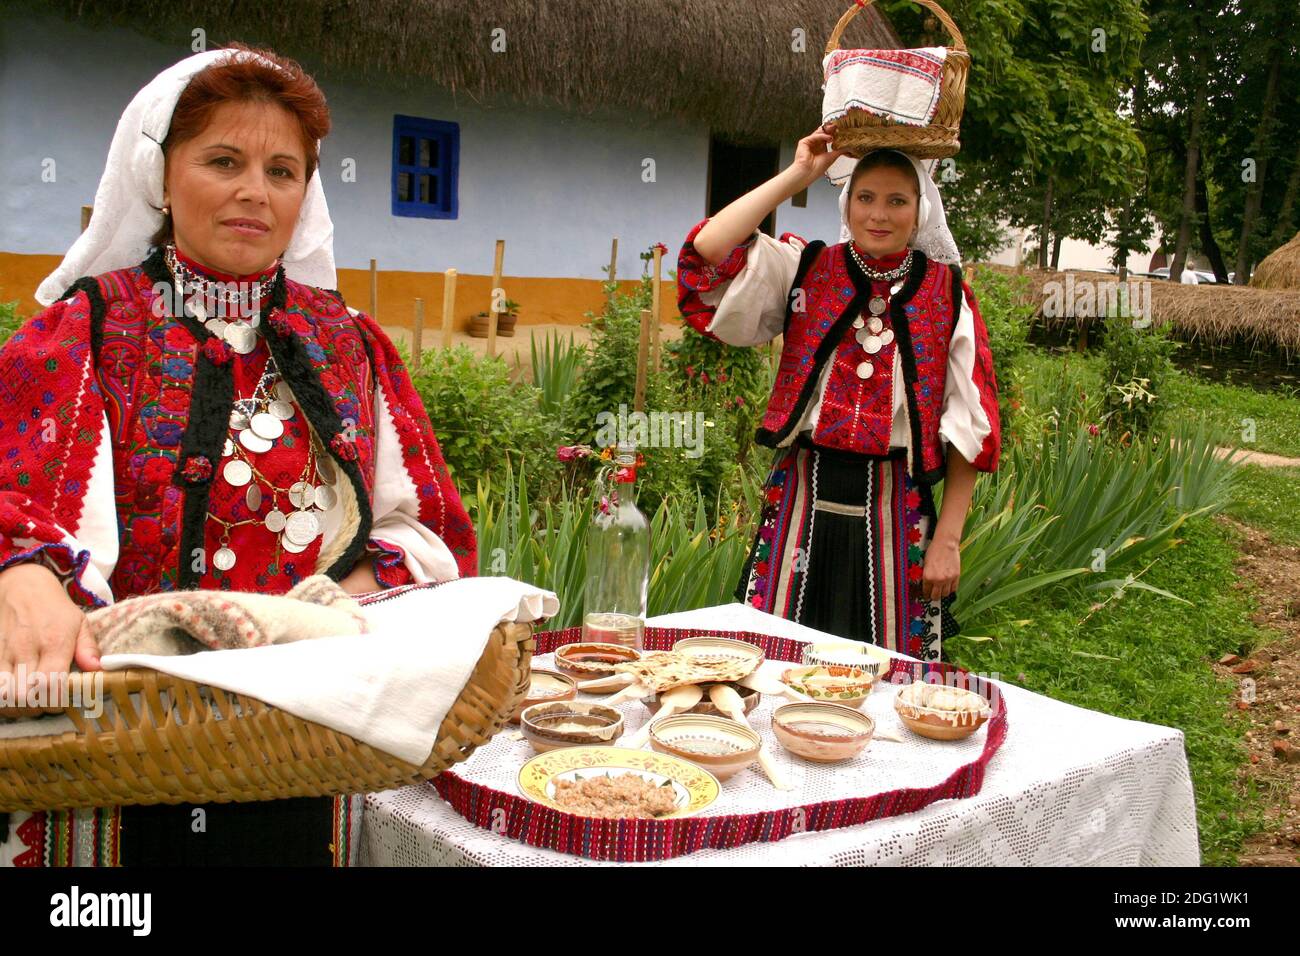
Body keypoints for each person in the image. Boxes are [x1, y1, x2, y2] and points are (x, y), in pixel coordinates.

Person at [0, 44, 475, 866]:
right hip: (117, 743)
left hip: (301, 742)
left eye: (283, 171)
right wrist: (25, 570)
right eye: (224, 161)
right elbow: (21, 506)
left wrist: (344, 604)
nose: (256, 192)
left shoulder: (347, 345)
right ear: (161, 176)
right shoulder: (89, 331)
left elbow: (421, 525)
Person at [677, 123, 1001, 661]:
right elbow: (707, 254)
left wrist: (947, 539)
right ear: (847, 205)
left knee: (893, 673)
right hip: (802, 490)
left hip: (898, 501)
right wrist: (799, 174)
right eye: (865, 197)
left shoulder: (947, 294)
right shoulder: (803, 267)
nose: (879, 214)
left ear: (920, 211)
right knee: (778, 660)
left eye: (897, 200)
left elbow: (970, 425)